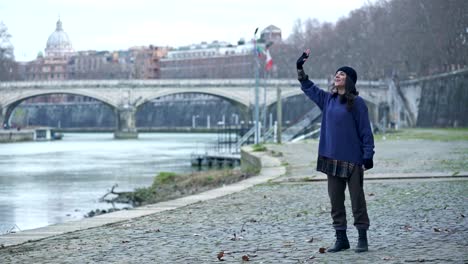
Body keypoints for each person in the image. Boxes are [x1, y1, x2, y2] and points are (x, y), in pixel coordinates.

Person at [296, 49, 375, 253]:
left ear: (349, 81)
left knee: (357, 200)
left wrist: (368, 155)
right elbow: (309, 88)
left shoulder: (357, 103)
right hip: (332, 159)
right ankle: (341, 239)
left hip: (353, 161)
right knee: (336, 201)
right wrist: (300, 68)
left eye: (342, 74)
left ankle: (362, 238)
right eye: (336, 73)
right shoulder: (327, 100)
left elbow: (366, 131)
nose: (337, 75)